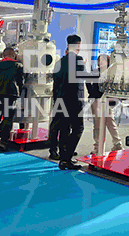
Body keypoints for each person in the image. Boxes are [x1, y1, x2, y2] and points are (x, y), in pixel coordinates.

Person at [52, 35, 85, 170]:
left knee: (64, 128)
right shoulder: (78, 60)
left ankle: (63, 159)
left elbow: (56, 82)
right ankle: (67, 157)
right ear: (78, 45)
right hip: (74, 100)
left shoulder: (60, 62)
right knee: (78, 128)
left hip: (61, 99)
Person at [0, 47, 24, 152]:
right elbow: (20, 82)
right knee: (8, 119)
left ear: (3, 55)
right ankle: (3, 142)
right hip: (11, 95)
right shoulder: (18, 66)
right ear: (14, 55)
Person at [86, 54, 122, 154]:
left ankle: (117, 144)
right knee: (97, 124)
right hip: (96, 100)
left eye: (103, 60)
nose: (101, 62)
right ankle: (98, 146)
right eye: (99, 60)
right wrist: (92, 93)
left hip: (107, 100)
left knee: (110, 122)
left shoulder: (110, 72)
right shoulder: (94, 72)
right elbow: (88, 83)